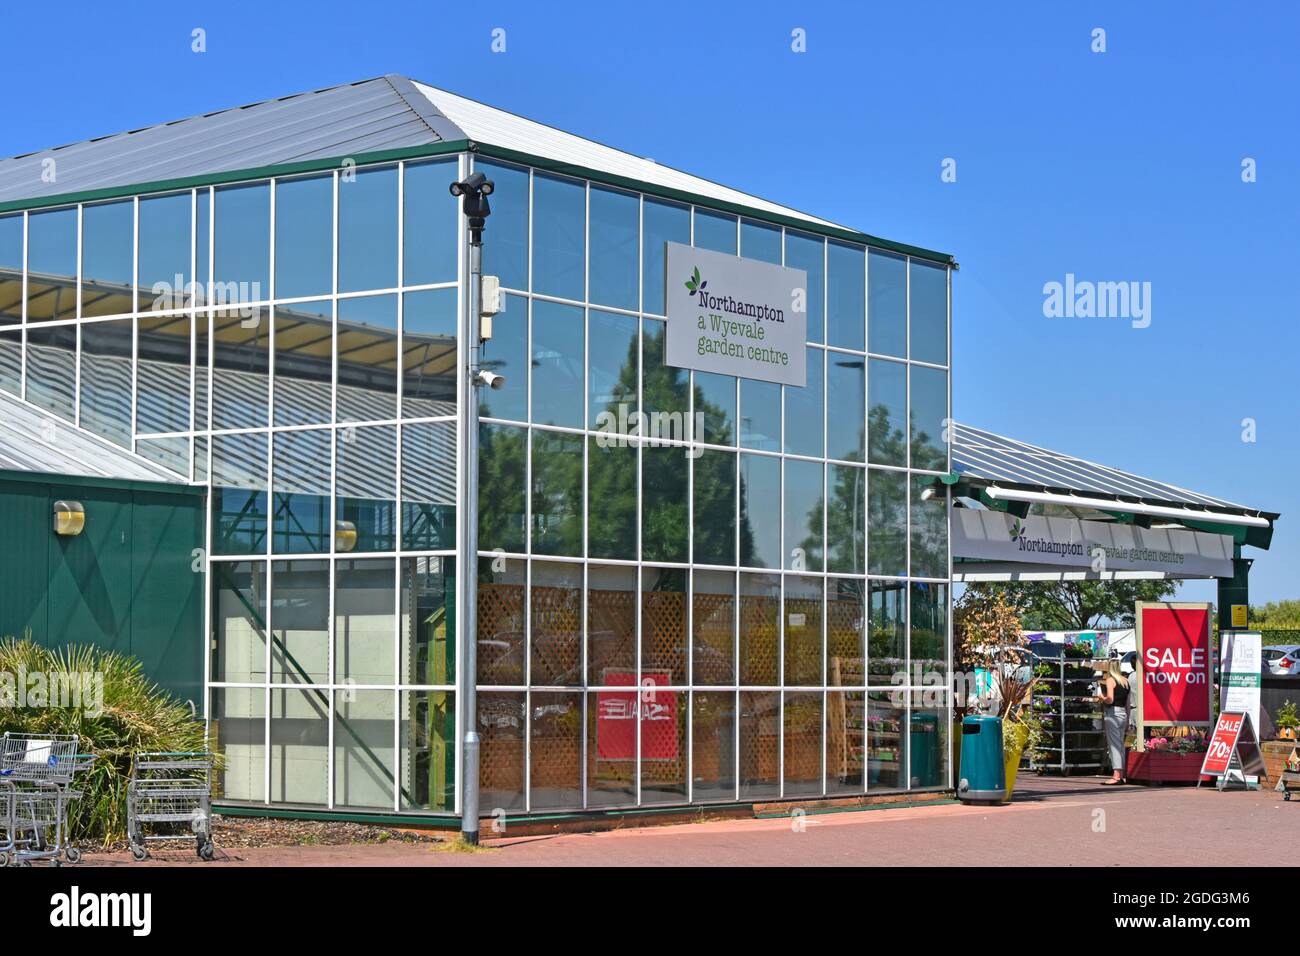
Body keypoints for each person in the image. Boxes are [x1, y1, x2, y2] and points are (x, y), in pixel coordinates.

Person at [1094, 660, 1130, 785]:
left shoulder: (1111, 680)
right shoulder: (1125, 681)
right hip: (1123, 714)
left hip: (1113, 714)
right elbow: (1127, 704)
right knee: (1120, 744)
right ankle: (1121, 774)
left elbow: (1110, 699)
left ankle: (1116, 776)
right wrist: (1128, 720)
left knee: (1114, 745)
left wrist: (1101, 697)